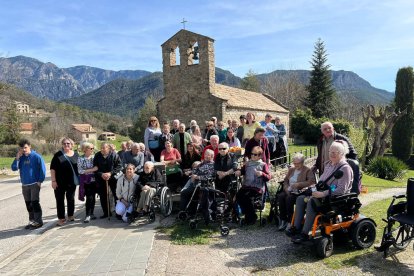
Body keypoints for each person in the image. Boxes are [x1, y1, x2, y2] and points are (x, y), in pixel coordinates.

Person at [290, 141, 353, 243]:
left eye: (335, 152)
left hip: (335, 200)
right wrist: (312, 189)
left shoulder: (345, 169)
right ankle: (296, 228)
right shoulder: (329, 164)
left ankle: (304, 234)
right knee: (300, 198)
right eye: (330, 151)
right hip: (323, 196)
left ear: (342, 153)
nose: (331, 154)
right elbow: (322, 182)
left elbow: (341, 189)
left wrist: (324, 193)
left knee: (312, 202)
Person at [11, 138, 46, 229]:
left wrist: (40, 181)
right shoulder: (21, 158)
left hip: (34, 183)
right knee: (28, 204)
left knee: (34, 202)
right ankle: (32, 221)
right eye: (22, 148)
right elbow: (14, 168)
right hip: (25, 185)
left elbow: (42, 170)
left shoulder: (37, 156)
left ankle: (38, 222)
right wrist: (17, 158)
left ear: (29, 146)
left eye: (25, 147)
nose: (24, 149)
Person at [277, 153, 315, 231]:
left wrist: (299, 184)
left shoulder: (307, 170)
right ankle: (283, 219)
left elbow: (311, 182)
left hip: (300, 192)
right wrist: (286, 188)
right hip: (289, 190)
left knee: (289, 199)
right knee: (281, 196)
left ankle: (290, 221)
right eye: (294, 163)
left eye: (298, 163)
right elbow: (286, 180)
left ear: (302, 162)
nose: (296, 165)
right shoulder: (291, 169)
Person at [235, 146, 271, 225]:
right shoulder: (248, 164)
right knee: (238, 195)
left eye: (255, 154)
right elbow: (242, 171)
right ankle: (250, 214)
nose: (252, 156)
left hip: (257, 187)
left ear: (260, 156)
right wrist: (239, 172)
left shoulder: (263, 165)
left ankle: (250, 217)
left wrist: (262, 174)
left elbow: (268, 177)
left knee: (247, 197)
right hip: (247, 185)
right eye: (252, 154)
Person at [180, 149, 216, 223]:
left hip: (206, 184)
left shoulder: (213, 165)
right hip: (196, 183)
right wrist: (191, 174)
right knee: (184, 192)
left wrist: (198, 177)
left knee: (193, 193)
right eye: (205, 154)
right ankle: (183, 212)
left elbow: (210, 176)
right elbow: (195, 170)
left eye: (208, 154)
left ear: (212, 156)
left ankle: (191, 213)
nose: (206, 156)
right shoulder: (202, 164)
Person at [50, 137, 79, 226]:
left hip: (71, 182)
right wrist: (53, 181)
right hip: (59, 182)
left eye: (68, 143)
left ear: (71, 145)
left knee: (71, 199)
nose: (66, 145)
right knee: (59, 200)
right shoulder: (58, 155)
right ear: (62, 145)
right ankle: (61, 218)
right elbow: (52, 169)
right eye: (64, 143)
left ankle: (70, 215)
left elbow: (80, 168)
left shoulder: (76, 155)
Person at [93, 142, 123, 219]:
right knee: (103, 196)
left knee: (116, 195)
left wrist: (110, 173)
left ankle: (118, 212)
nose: (102, 149)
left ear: (108, 148)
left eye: (104, 148)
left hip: (113, 178)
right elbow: (95, 167)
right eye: (101, 148)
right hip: (101, 178)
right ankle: (106, 213)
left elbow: (119, 166)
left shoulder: (114, 155)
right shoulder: (97, 155)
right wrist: (101, 174)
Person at [77, 142, 98, 223]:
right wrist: (92, 170)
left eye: (93, 148)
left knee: (93, 198)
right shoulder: (81, 158)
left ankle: (92, 213)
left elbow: (97, 167)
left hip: (94, 180)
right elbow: (80, 171)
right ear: (85, 149)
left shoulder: (94, 157)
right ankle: (87, 215)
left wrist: (88, 171)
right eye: (91, 148)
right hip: (86, 181)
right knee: (89, 197)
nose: (92, 150)